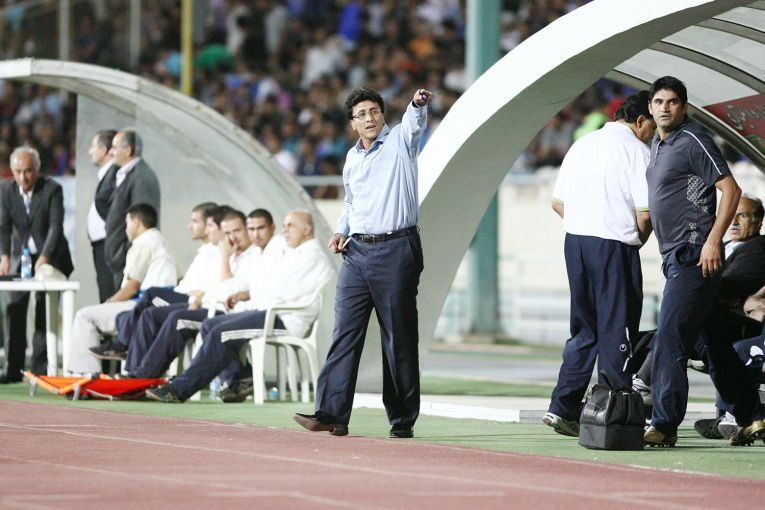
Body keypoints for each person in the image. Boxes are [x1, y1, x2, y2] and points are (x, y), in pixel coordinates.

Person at [293, 87, 430, 438]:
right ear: (352, 124)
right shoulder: (352, 158)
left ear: (383, 115)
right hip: (356, 252)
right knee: (344, 333)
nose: (369, 118)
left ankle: (402, 420)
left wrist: (417, 104)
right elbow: (351, 202)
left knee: (397, 337)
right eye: (361, 114)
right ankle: (332, 413)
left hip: (396, 249)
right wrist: (341, 230)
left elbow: (414, 123)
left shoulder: (400, 141)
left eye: (374, 111)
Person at [643, 76, 764, 447]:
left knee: (670, 338)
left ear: (684, 107)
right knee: (712, 343)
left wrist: (713, 241)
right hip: (674, 257)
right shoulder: (658, 144)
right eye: (659, 101)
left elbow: (731, 189)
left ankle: (664, 424)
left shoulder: (693, 139)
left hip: (695, 256)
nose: (665, 108)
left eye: (672, 102)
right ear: (650, 107)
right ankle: (752, 416)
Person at [543, 91, 656, 437]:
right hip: (613, 245)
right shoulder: (637, 151)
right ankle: (611, 410)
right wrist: (635, 238)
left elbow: (557, 203)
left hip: (576, 242)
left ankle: (562, 407)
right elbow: (645, 213)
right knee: (617, 328)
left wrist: (587, 221)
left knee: (584, 329)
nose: (653, 133)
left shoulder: (583, 143)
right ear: (640, 120)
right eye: (652, 126)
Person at [145, 210, 330, 403]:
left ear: (307, 229)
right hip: (268, 311)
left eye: (291, 225)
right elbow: (266, 287)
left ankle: (179, 389)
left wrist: (253, 293)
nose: (285, 230)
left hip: (285, 319)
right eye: (284, 226)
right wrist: (248, 293)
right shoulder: (295, 253)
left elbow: (278, 290)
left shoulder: (311, 255)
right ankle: (241, 379)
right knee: (210, 324)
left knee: (220, 333)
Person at [119, 208, 273, 379]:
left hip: (226, 311)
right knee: (150, 313)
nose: (232, 237)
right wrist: (200, 298)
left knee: (177, 319)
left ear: (246, 229)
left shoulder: (252, 256)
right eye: (228, 233)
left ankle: (143, 376)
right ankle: (133, 372)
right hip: (207, 304)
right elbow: (215, 286)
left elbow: (230, 290)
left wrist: (223, 259)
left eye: (237, 231)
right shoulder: (231, 253)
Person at [88, 202, 220, 361]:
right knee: (125, 317)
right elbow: (181, 279)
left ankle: (121, 346)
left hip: (190, 301)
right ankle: (132, 365)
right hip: (180, 295)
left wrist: (108, 303)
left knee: (150, 297)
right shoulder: (200, 251)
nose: (189, 226)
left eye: (195, 221)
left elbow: (132, 287)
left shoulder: (217, 252)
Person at [65, 203, 177, 375]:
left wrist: (108, 303)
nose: (126, 229)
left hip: (141, 306)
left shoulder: (143, 243)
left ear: (136, 222)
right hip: (160, 307)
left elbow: (132, 288)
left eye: (127, 223)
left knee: (85, 316)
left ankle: (85, 375)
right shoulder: (161, 242)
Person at [0, 147, 74, 382]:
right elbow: (4, 227)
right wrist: (4, 256)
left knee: (44, 313)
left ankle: (40, 372)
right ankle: (13, 370)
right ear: (12, 171)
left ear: (38, 169)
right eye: (18, 172)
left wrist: (45, 257)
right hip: (19, 257)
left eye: (28, 171)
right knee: (15, 310)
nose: (23, 177)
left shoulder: (52, 189)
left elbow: (55, 227)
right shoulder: (6, 190)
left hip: (50, 258)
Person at [104, 129, 161, 290]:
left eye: (115, 147)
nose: (111, 152)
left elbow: (141, 223)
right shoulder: (128, 174)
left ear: (128, 150)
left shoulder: (141, 177)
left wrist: (124, 252)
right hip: (122, 260)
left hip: (128, 261)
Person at [86, 129, 119, 302]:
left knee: (109, 295)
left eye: (93, 146)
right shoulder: (107, 174)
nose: (90, 151)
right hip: (102, 245)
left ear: (105, 150)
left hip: (109, 245)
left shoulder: (115, 173)